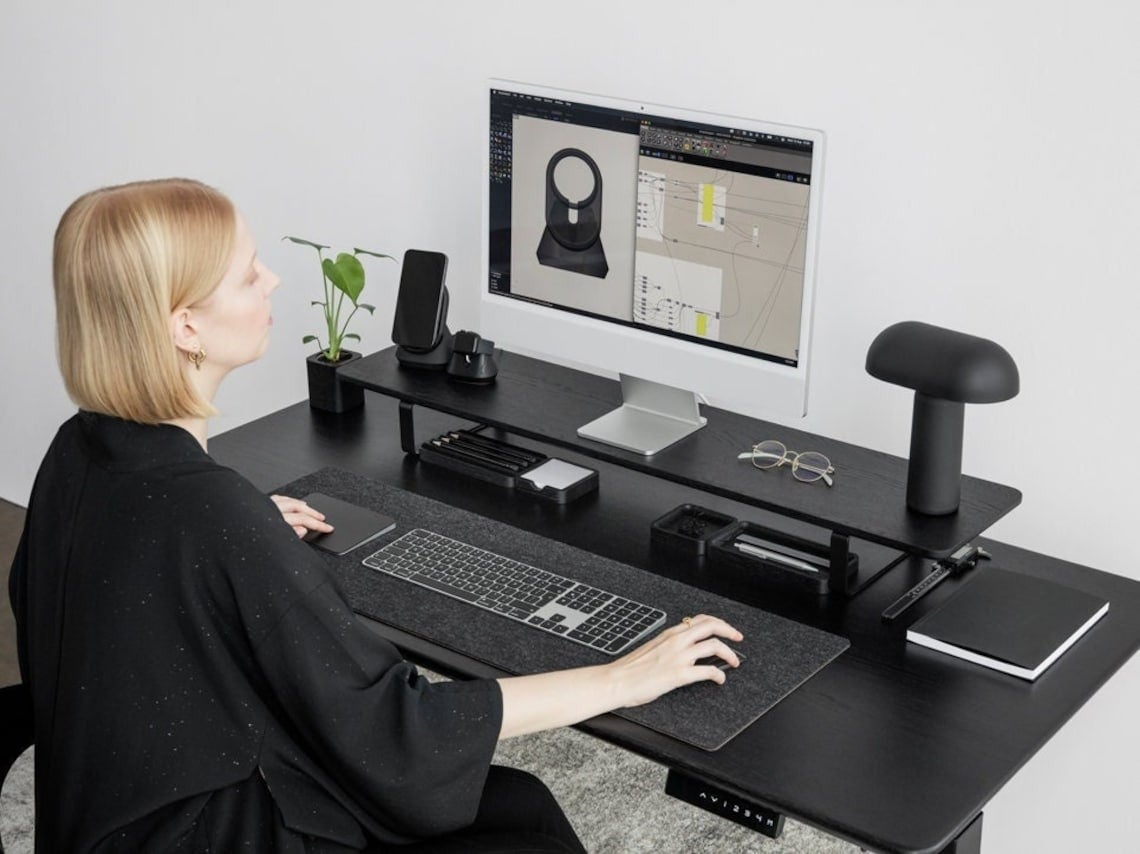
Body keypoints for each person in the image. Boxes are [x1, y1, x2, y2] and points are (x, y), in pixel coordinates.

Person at [9, 178, 742, 852]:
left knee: (513, 804)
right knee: (522, 820)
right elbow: (399, 732)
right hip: (214, 834)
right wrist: (622, 679)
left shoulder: (80, 449)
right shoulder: (212, 514)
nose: (272, 280)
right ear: (185, 329)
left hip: (108, 819)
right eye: (247, 272)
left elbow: (114, 573)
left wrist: (233, 546)